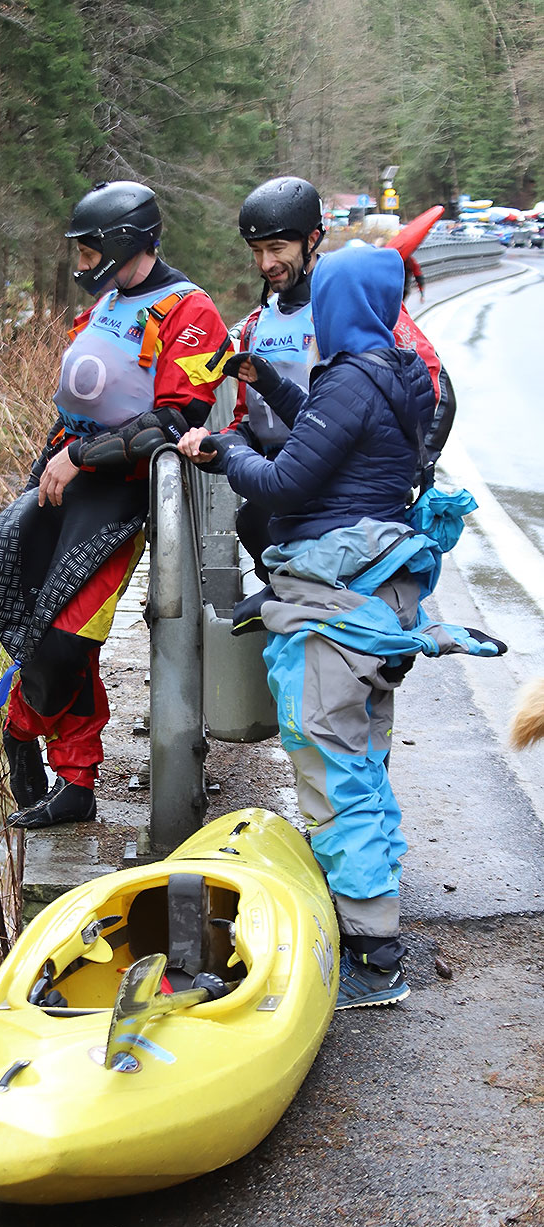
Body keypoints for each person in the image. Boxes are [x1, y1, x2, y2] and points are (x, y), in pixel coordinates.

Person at [178, 245, 505, 1009]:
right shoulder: (395, 374)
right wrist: (269, 384)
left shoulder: (349, 381)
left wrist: (222, 451)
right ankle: (369, 903)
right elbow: (335, 434)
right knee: (363, 752)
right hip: (383, 588)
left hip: (337, 596)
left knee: (332, 761)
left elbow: (286, 477)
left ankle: (373, 953)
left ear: (337, 306)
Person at [0, 179, 231, 829]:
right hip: (64, 479)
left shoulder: (190, 310)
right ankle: (75, 783)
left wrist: (81, 460)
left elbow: (175, 420)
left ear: (125, 244)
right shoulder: (103, 307)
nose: (82, 265)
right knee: (34, 618)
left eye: (90, 252)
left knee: (64, 642)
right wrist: (47, 466)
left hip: (122, 493)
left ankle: (17, 725)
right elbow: (78, 404)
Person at [180, 177, 455, 578]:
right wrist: (222, 446)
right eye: (256, 251)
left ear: (312, 239)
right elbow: (249, 419)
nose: (265, 264)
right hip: (281, 486)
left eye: (277, 249)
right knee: (255, 525)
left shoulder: (356, 309)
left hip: (343, 503)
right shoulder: (257, 325)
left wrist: (398, 476)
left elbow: (436, 392)